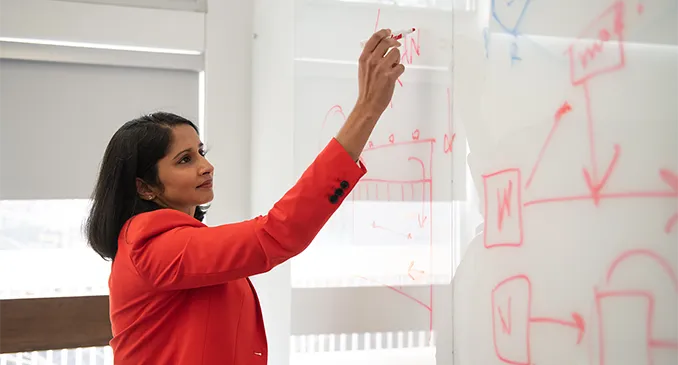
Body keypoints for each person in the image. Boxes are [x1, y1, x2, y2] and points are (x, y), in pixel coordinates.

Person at [85, 29, 404, 364]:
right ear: (144, 187)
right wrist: (367, 109)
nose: (206, 166)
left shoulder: (173, 241)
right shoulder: (151, 246)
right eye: (185, 160)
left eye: (200, 151)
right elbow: (278, 233)